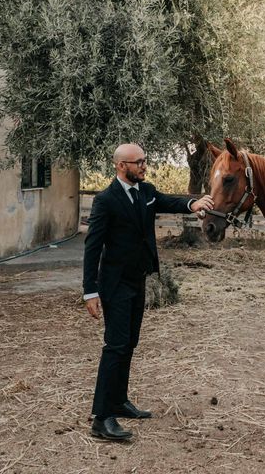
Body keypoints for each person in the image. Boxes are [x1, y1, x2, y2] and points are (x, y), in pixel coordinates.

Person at [83, 143, 214, 440]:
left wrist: (193, 204)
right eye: (138, 162)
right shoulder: (105, 200)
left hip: (137, 281)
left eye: (145, 160)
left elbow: (170, 201)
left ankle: (119, 401)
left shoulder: (146, 191)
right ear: (121, 166)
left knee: (129, 343)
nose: (144, 166)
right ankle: (102, 418)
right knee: (115, 346)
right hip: (114, 285)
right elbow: (92, 248)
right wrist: (90, 291)